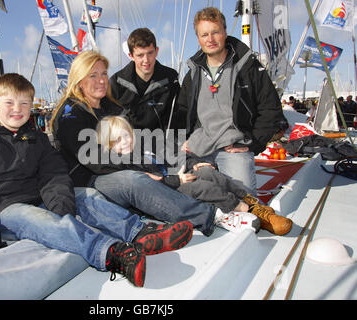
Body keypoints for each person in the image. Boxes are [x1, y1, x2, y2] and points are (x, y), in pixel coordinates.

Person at [0, 73, 194, 288]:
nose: (17, 109)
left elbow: (54, 175)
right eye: (9, 102)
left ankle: (140, 233)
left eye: (24, 103)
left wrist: (63, 208)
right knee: (39, 219)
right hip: (4, 208)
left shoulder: (36, 139)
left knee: (89, 196)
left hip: (39, 198)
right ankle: (111, 253)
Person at [51, 50, 256, 237]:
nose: (101, 80)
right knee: (136, 181)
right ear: (79, 81)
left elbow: (145, 140)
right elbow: (94, 159)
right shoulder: (70, 115)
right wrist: (144, 171)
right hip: (91, 179)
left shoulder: (112, 107)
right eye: (92, 75)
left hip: (128, 166)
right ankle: (211, 216)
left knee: (194, 171)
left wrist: (189, 161)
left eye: (104, 74)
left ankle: (245, 203)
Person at [95, 115, 293, 235]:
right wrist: (176, 179)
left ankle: (254, 204)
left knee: (208, 173)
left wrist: (194, 163)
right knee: (201, 187)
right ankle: (240, 208)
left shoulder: (145, 150)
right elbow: (147, 184)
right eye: (117, 140)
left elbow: (174, 158)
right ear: (108, 145)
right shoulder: (123, 164)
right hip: (168, 188)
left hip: (177, 176)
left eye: (127, 136)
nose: (125, 142)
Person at [176, 7, 288, 197]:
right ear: (198, 39)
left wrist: (254, 142)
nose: (210, 39)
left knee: (244, 198)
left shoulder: (248, 67)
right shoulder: (193, 73)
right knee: (186, 195)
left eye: (215, 32)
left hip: (233, 148)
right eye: (204, 34)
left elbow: (270, 108)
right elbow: (182, 111)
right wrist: (183, 142)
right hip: (199, 148)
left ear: (225, 33)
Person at [109, 28, 181, 131]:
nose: (146, 60)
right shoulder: (116, 83)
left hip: (162, 144)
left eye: (150, 53)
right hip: (128, 144)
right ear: (131, 56)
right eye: (140, 55)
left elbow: (179, 117)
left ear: (157, 51)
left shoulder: (171, 79)